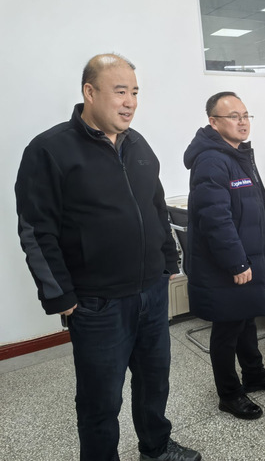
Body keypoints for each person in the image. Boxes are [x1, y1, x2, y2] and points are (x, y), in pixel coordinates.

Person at [15, 54, 201, 461]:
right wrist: (60, 296)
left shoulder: (138, 144)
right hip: (97, 303)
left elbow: (155, 207)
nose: (130, 102)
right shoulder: (50, 149)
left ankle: (156, 447)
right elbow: (35, 230)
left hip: (151, 292)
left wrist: (169, 260)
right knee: (100, 400)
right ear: (90, 92)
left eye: (134, 92)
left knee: (155, 380)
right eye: (120, 91)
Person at [183, 92, 265, 420]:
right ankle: (229, 394)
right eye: (233, 116)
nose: (242, 122)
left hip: (247, 255)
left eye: (245, 115)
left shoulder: (238, 154)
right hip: (227, 263)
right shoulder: (212, 160)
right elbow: (215, 218)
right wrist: (237, 261)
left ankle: (254, 374)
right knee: (228, 328)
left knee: (245, 319)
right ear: (213, 122)